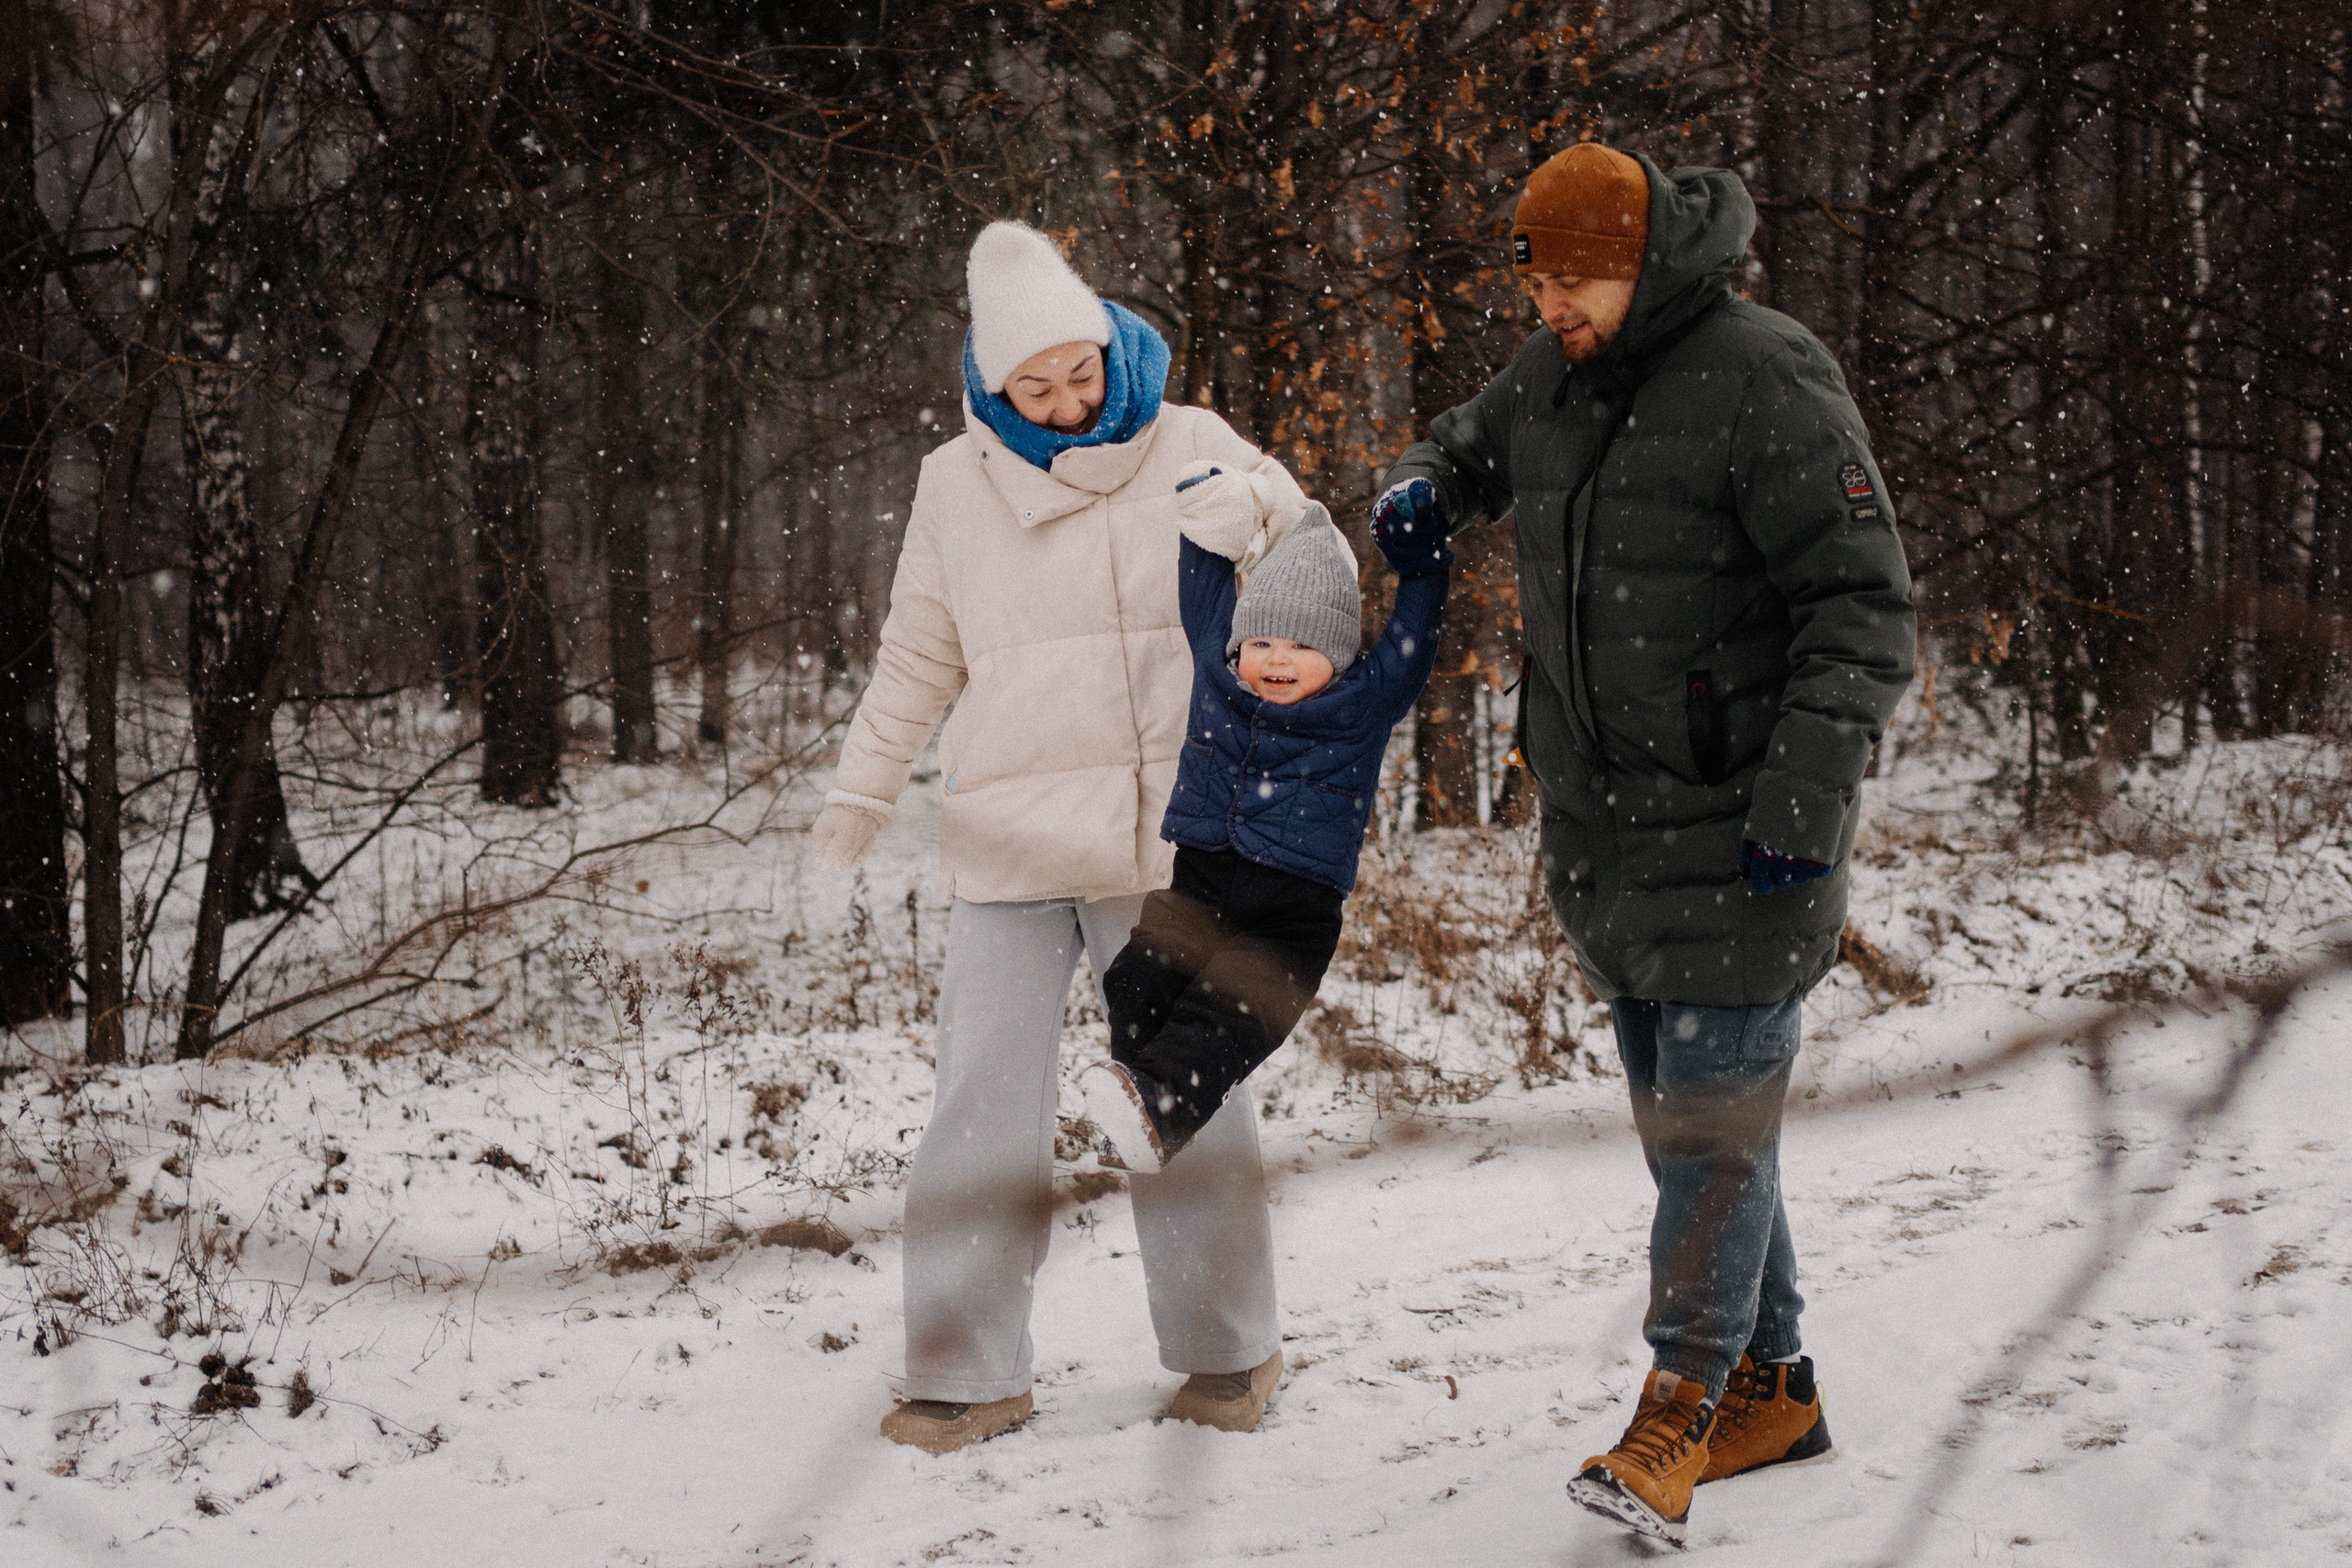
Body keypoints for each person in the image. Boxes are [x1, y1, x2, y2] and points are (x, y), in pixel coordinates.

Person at [1379, 141, 1916, 1544]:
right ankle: (1773, 1386)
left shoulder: (1765, 374)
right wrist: (1424, 483)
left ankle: (1679, 1406)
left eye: (1575, 283)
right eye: (1536, 285)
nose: (1550, 307)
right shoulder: (1555, 374)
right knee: (1698, 1138)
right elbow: (1469, 442)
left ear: (1644, 263)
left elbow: (1862, 609)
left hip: (1747, 835)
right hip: (1610, 844)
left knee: (1708, 1142)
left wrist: (1805, 801)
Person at [808, 220, 1309, 1451]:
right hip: (1010, 839)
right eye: (1034, 388)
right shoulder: (955, 483)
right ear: (992, 383)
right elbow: (917, 656)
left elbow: (1309, 558)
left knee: (1182, 1093)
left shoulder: (1188, 439)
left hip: (1163, 839)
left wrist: (1262, 510)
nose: (1068, 402)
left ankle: (1229, 1350)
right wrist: (854, 803)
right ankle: (967, 1370)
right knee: (977, 1106)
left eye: (1080, 373)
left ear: (1106, 345)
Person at [1079, 474, 1450, 1173]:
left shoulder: (1361, 704)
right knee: (1134, 983)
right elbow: (1203, 590)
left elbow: (1412, 637)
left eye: (1303, 646)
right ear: (1239, 645)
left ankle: (1157, 1109)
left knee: (1229, 1014)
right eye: (1263, 641)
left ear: (1339, 655)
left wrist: (1422, 561)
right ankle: (1143, 1108)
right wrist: (1209, 520)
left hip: (1290, 915)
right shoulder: (1219, 676)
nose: (1278, 659)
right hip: (1199, 886)